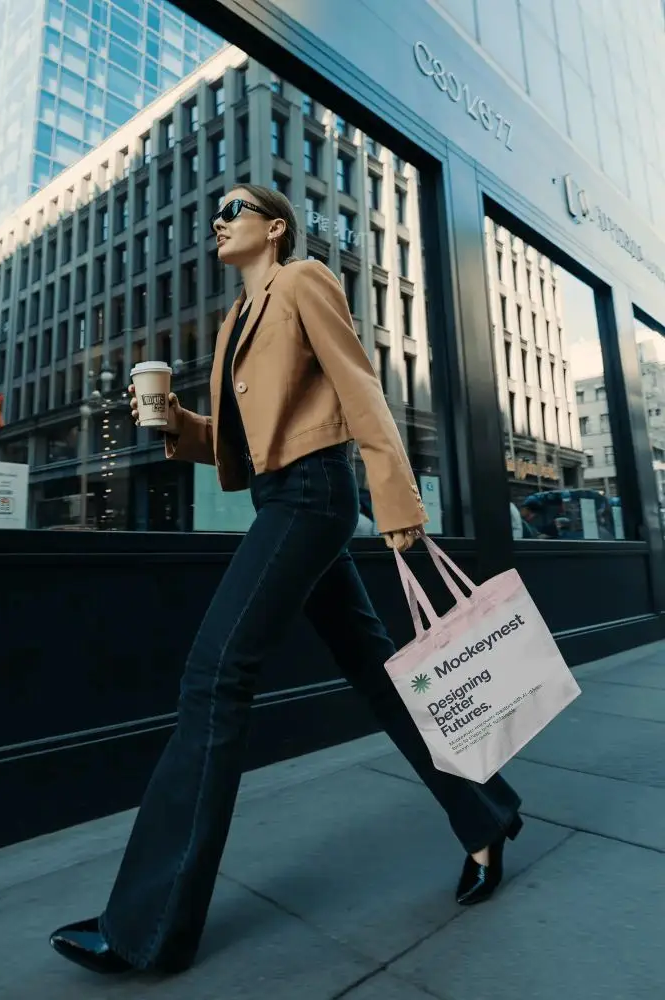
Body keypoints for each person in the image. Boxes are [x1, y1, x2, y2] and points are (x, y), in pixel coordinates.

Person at [50, 184, 523, 977]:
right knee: (378, 675)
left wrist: (396, 498)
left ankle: (147, 927)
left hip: (314, 495)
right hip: (282, 495)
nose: (217, 219)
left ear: (274, 227)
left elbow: (359, 383)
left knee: (214, 677)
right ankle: (484, 813)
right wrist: (175, 428)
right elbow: (242, 443)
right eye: (214, 211)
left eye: (232, 207)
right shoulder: (238, 320)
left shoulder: (302, 281)